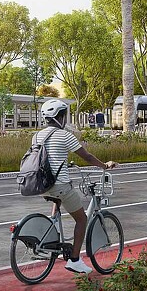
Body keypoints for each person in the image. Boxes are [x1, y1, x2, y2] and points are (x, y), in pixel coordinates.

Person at [33, 99, 117, 274]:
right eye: (64, 116)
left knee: (57, 201)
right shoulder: (65, 135)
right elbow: (87, 157)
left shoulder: (37, 136)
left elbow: (45, 159)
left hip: (41, 185)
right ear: (59, 117)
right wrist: (104, 166)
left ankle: (52, 235)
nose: (65, 119)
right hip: (60, 185)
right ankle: (75, 259)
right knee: (81, 219)